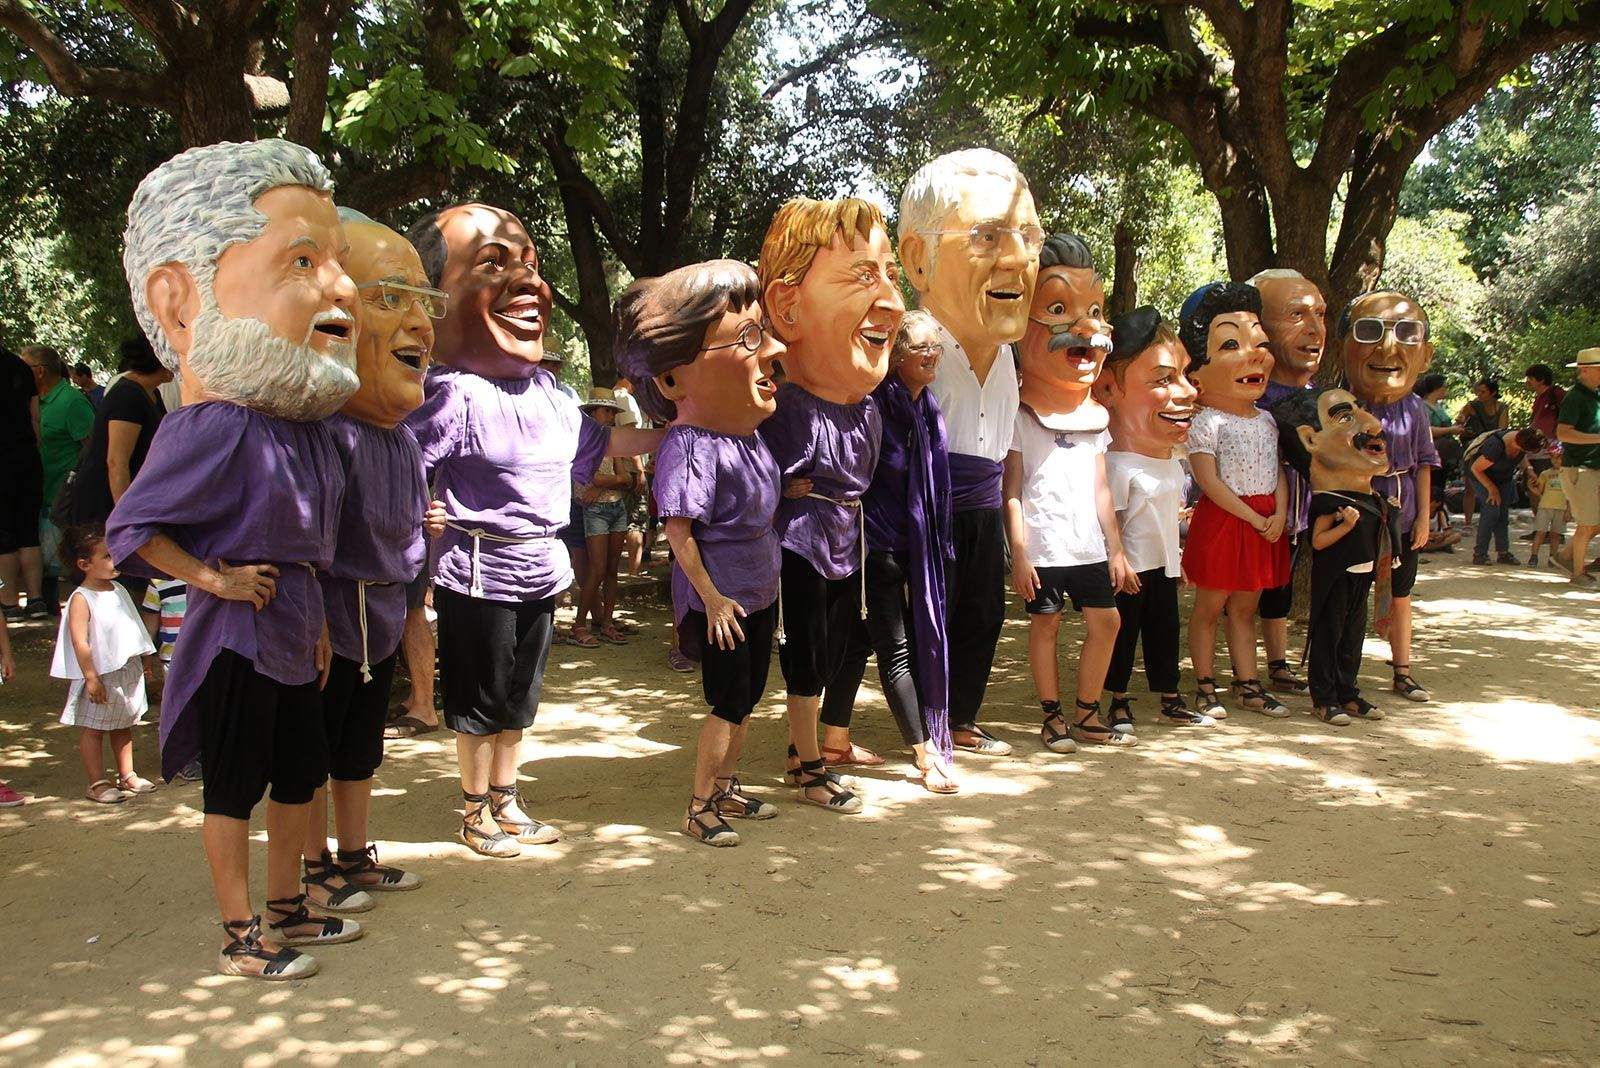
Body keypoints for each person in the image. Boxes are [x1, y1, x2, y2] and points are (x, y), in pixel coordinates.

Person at [108, 139, 365, 980]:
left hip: (297, 628)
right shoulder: (208, 425)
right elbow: (132, 529)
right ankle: (239, 933)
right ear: (178, 299)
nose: (344, 290)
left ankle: (289, 905)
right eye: (303, 260)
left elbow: (311, 546)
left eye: (340, 263)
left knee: (300, 776)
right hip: (235, 639)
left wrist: (320, 618)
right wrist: (213, 578)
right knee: (235, 785)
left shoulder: (311, 433)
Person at [404, 203, 663, 857]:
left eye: (532, 265)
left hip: (542, 570)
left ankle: (506, 801)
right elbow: (398, 466)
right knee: (478, 701)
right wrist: (422, 519)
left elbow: (604, 443)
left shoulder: (553, 395)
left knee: (520, 699)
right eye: (494, 263)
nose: (529, 282)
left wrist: (691, 417)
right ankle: (472, 812)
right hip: (478, 570)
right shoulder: (454, 393)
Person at [297, 209, 445, 914]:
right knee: (310, 750)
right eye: (389, 298)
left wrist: (426, 536)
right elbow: (306, 538)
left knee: (360, 746)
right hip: (330, 620)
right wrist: (313, 620)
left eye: (425, 301)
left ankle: (354, 853)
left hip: (381, 614)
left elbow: (405, 534)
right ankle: (309, 863)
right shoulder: (324, 435)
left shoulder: (402, 439)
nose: (421, 323)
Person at [616, 259, 787, 845]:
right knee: (725, 702)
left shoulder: (750, 437)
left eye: (762, 333)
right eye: (748, 338)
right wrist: (711, 599)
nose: (774, 350)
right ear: (670, 381)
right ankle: (697, 806)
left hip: (759, 594)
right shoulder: (691, 446)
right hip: (726, 602)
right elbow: (679, 533)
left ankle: (726, 787)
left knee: (748, 699)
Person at [896, 149, 1042, 757]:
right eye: (985, 236)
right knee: (925, 615)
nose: (1015, 258)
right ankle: (925, 726)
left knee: (982, 614)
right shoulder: (908, 350)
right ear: (917, 259)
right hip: (923, 504)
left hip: (984, 504)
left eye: (1028, 236)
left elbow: (1008, 449)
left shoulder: (1010, 355)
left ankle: (962, 716)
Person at [757, 195, 901, 809]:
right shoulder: (787, 405)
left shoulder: (868, 407)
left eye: (889, 274)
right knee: (807, 648)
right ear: (786, 305)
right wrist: (783, 490)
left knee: (843, 641)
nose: (892, 300)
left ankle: (812, 747)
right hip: (804, 537)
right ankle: (807, 761)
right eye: (865, 275)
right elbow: (755, 468)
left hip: (849, 534)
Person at [1004, 233, 1134, 750]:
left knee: (1108, 621)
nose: (1087, 327)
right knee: (1047, 626)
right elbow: (1011, 490)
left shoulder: (1096, 421)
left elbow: (1101, 488)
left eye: (1095, 310)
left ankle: (1087, 711)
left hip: (1086, 547)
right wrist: (1018, 553)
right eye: (1059, 308)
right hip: (1043, 546)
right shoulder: (1018, 415)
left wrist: (1117, 550)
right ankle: (1052, 716)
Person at [1179, 282, 1292, 720]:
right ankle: (1205, 683)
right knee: (1210, 605)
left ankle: (1249, 682)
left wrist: (1279, 512)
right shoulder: (1207, 421)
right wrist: (1251, 515)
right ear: (1197, 373)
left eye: (1260, 342)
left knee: (1246, 606)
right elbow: (1208, 481)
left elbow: (1277, 470)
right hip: (1226, 520)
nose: (1254, 354)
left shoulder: (1266, 419)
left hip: (1265, 520)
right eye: (1231, 343)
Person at [1095, 306, 1211, 728]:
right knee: (1124, 633)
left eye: (1184, 375)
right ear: (1108, 388)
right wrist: (1118, 558)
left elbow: (1169, 515)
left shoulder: (1170, 462)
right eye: (1164, 379)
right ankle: (1117, 699)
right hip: (1132, 569)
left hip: (1162, 563)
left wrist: (1178, 560)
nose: (1188, 392)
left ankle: (1169, 694)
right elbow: (1113, 517)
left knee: (1165, 630)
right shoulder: (1119, 464)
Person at [860, 310, 959, 791]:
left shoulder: (928, 409)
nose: (932, 353)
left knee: (923, 642)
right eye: (922, 346)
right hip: (878, 548)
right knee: (892, 649)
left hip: (922, 551)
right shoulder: (876, 407)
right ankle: (926, 754)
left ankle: (833, 738)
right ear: (897, 354)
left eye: (936, 345)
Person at [1336, 290, 1441, 703]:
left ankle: (1402, 670)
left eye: (1406, 333)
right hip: (1358, 511)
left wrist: (1422, 518)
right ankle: (1345, 675)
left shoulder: (1415, 409)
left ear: (1425, 354)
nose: (1388, 345)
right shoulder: (1338, 405)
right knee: (1353, 595)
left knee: (1401, 594)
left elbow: (1424, 463)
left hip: (1401, 510)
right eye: (1369, 331)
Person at [1272, 389, 1391, 726]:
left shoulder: (1371, 498)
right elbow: (1320, 541)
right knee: (1329, 633)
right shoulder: (1329, 502)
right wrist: (1346, 527)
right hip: (1335, 578)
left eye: (1361, 410)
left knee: (1354, 635)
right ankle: (1324, 698)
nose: (1372, 424)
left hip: (1361, 576)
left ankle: (1347, 691)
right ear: (1311, 440)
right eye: (1344, 416)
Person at [1247, 268, 1326, 696]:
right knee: (1242, 590)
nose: (1314, 329)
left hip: (1296, 514)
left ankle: (1277, 662)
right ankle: (1242, 671)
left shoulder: (1324, 400)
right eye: (1296, 314)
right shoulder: (1248, 395)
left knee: (1280, 584)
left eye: (1320, 314)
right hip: (1252, 508)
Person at [50, 523, 157, 804]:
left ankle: (127, 773)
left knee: (124, 723)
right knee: (94, 728)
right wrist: (91, 677)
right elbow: (80, 641)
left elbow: (132, 626)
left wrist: (144, 658)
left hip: (126, 669)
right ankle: (97, 782)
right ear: (84, 564)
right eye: (107, 556)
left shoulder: (118, 589)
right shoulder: (81, 599)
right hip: (100, 674)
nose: (116, 560)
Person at [62, 336, 173, 605]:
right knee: (109, 581)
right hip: (104, 503)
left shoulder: (150, 392)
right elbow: (116, 462)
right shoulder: (127, 395)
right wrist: (126, 519)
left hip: (125, 500)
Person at [22, 343, 95, 610]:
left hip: (64, 498)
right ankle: (45, 602)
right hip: (37, 491)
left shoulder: (71, 401)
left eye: (24, 366)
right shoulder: (32, 401)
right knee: (43, 557)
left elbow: (93, 446)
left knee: (64, 558)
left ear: (39, 371)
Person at [571, 389, 634, 648]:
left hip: (614, 507)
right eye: (606, 411)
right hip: (595, 509)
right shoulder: (583, 439)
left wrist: (605, 484)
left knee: (610, 570)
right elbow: (591, 477)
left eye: (612, 412)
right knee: (596, 570)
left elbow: (626, 479)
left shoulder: (611, 440)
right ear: (592, 412)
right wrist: (611, 482)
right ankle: (579, 625)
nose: (610, 416)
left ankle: (606, 622)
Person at [0, 343, 45, 620]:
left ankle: (8, 602)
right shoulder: (20, 367)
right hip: (26, 457)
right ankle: (36, 598)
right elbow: (34, 418)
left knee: (3, 536)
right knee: (28, 531)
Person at [1555, 348, 1600, 585]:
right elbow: (1563, 433)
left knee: (1595, 521)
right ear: (1585, 370)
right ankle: (1578, 573)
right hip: (1580, 469)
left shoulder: (1594, 396)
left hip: (1592, 467)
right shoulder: (1575, 397)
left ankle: (1566, 557)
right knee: (1588, 523)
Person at [1468, 428, 1545, 565]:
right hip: (1481, 476)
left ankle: (1503, 553)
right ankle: (1480, 554)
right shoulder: (1496, 446)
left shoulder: (1521, 442)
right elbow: (1476, 468)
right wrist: (1491, 488)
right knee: (1492, 510)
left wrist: (1529, 470)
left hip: (1503, 478)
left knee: (1503, 513)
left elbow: (1522, 456)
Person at [1455, 378, 1507, 530]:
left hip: (1492, 449)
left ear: (1493, 393)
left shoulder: (1502, 407)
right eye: (1477, 391)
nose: (1479, 394)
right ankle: (1468, 522)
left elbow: (1502, 429)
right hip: (1473, 448)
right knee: (1469, 486)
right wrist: (1461, 419)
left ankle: (1491, 521)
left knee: (1492, 484)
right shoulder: (1472, 405)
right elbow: (1460, 419)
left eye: (1483, 392)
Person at [1525, 364, 1566, 501]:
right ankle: (1540, 518)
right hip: (1535, 448)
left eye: (1530, 378)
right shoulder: (1538, 399)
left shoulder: (1557, 393)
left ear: (1541, 379)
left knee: (1550, 484)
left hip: (1552, 447)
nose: (1527, 381)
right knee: (1534, 484)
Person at [1528, 450, 1569, 568]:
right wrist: (1531, 487)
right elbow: (1539, 491)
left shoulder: (1568, 474)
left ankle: (1553, 558)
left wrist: (1569, 511)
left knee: (1555, 535)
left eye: (1559, 458)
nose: (1556, 460)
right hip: (1545, 507)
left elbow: (1570, 495)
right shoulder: (1545, 474)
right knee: (1540, 532)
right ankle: (1534, 556)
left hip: (1561, 508)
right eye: (1553, 458)